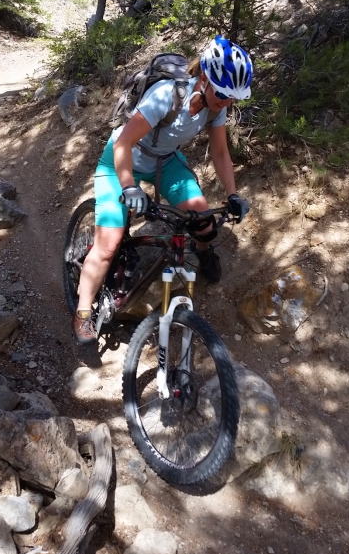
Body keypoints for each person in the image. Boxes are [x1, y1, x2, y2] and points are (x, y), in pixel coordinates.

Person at [72, 35, 252, 345]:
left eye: (233, 97)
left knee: (203, 218)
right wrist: (129, 186)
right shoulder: (167, 96)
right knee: (109, 243)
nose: (227, 102)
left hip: (164, 161)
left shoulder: (216, 104)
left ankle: (203, 251)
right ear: (205, 78)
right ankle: (82, 311)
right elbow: (124, 142)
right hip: (121, 160)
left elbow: (221, 153)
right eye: (223, 94)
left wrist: (233, 194)